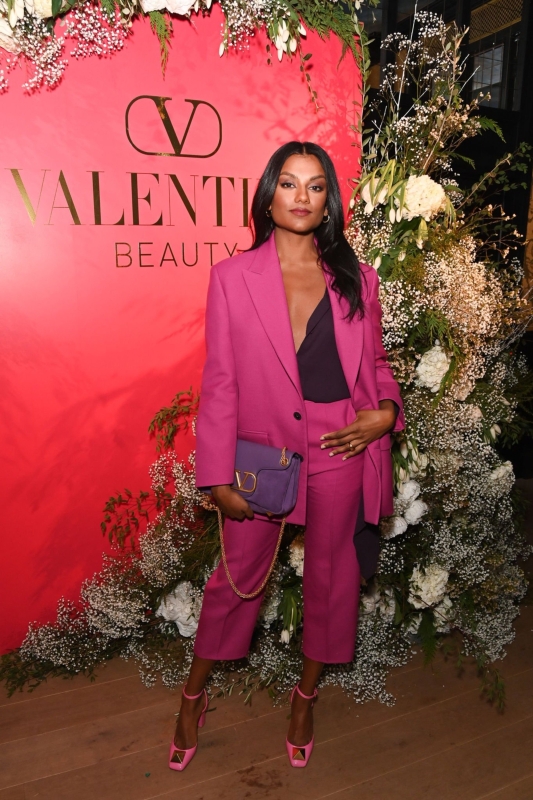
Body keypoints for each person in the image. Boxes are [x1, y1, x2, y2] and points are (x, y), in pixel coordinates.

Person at [169, 141, 405, 771]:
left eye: (317, 186)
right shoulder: (231, 277)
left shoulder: (359, 278)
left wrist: (385, 411)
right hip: (262, 455)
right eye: (290, 184)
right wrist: (215, 474)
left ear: (329, 201)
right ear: (269, 194)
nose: (302, 197)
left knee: (332, 579)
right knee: (236, 582)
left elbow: (377, 367)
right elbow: (219, 382)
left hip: (340, 444)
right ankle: (192, 697)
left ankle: (304, 701)